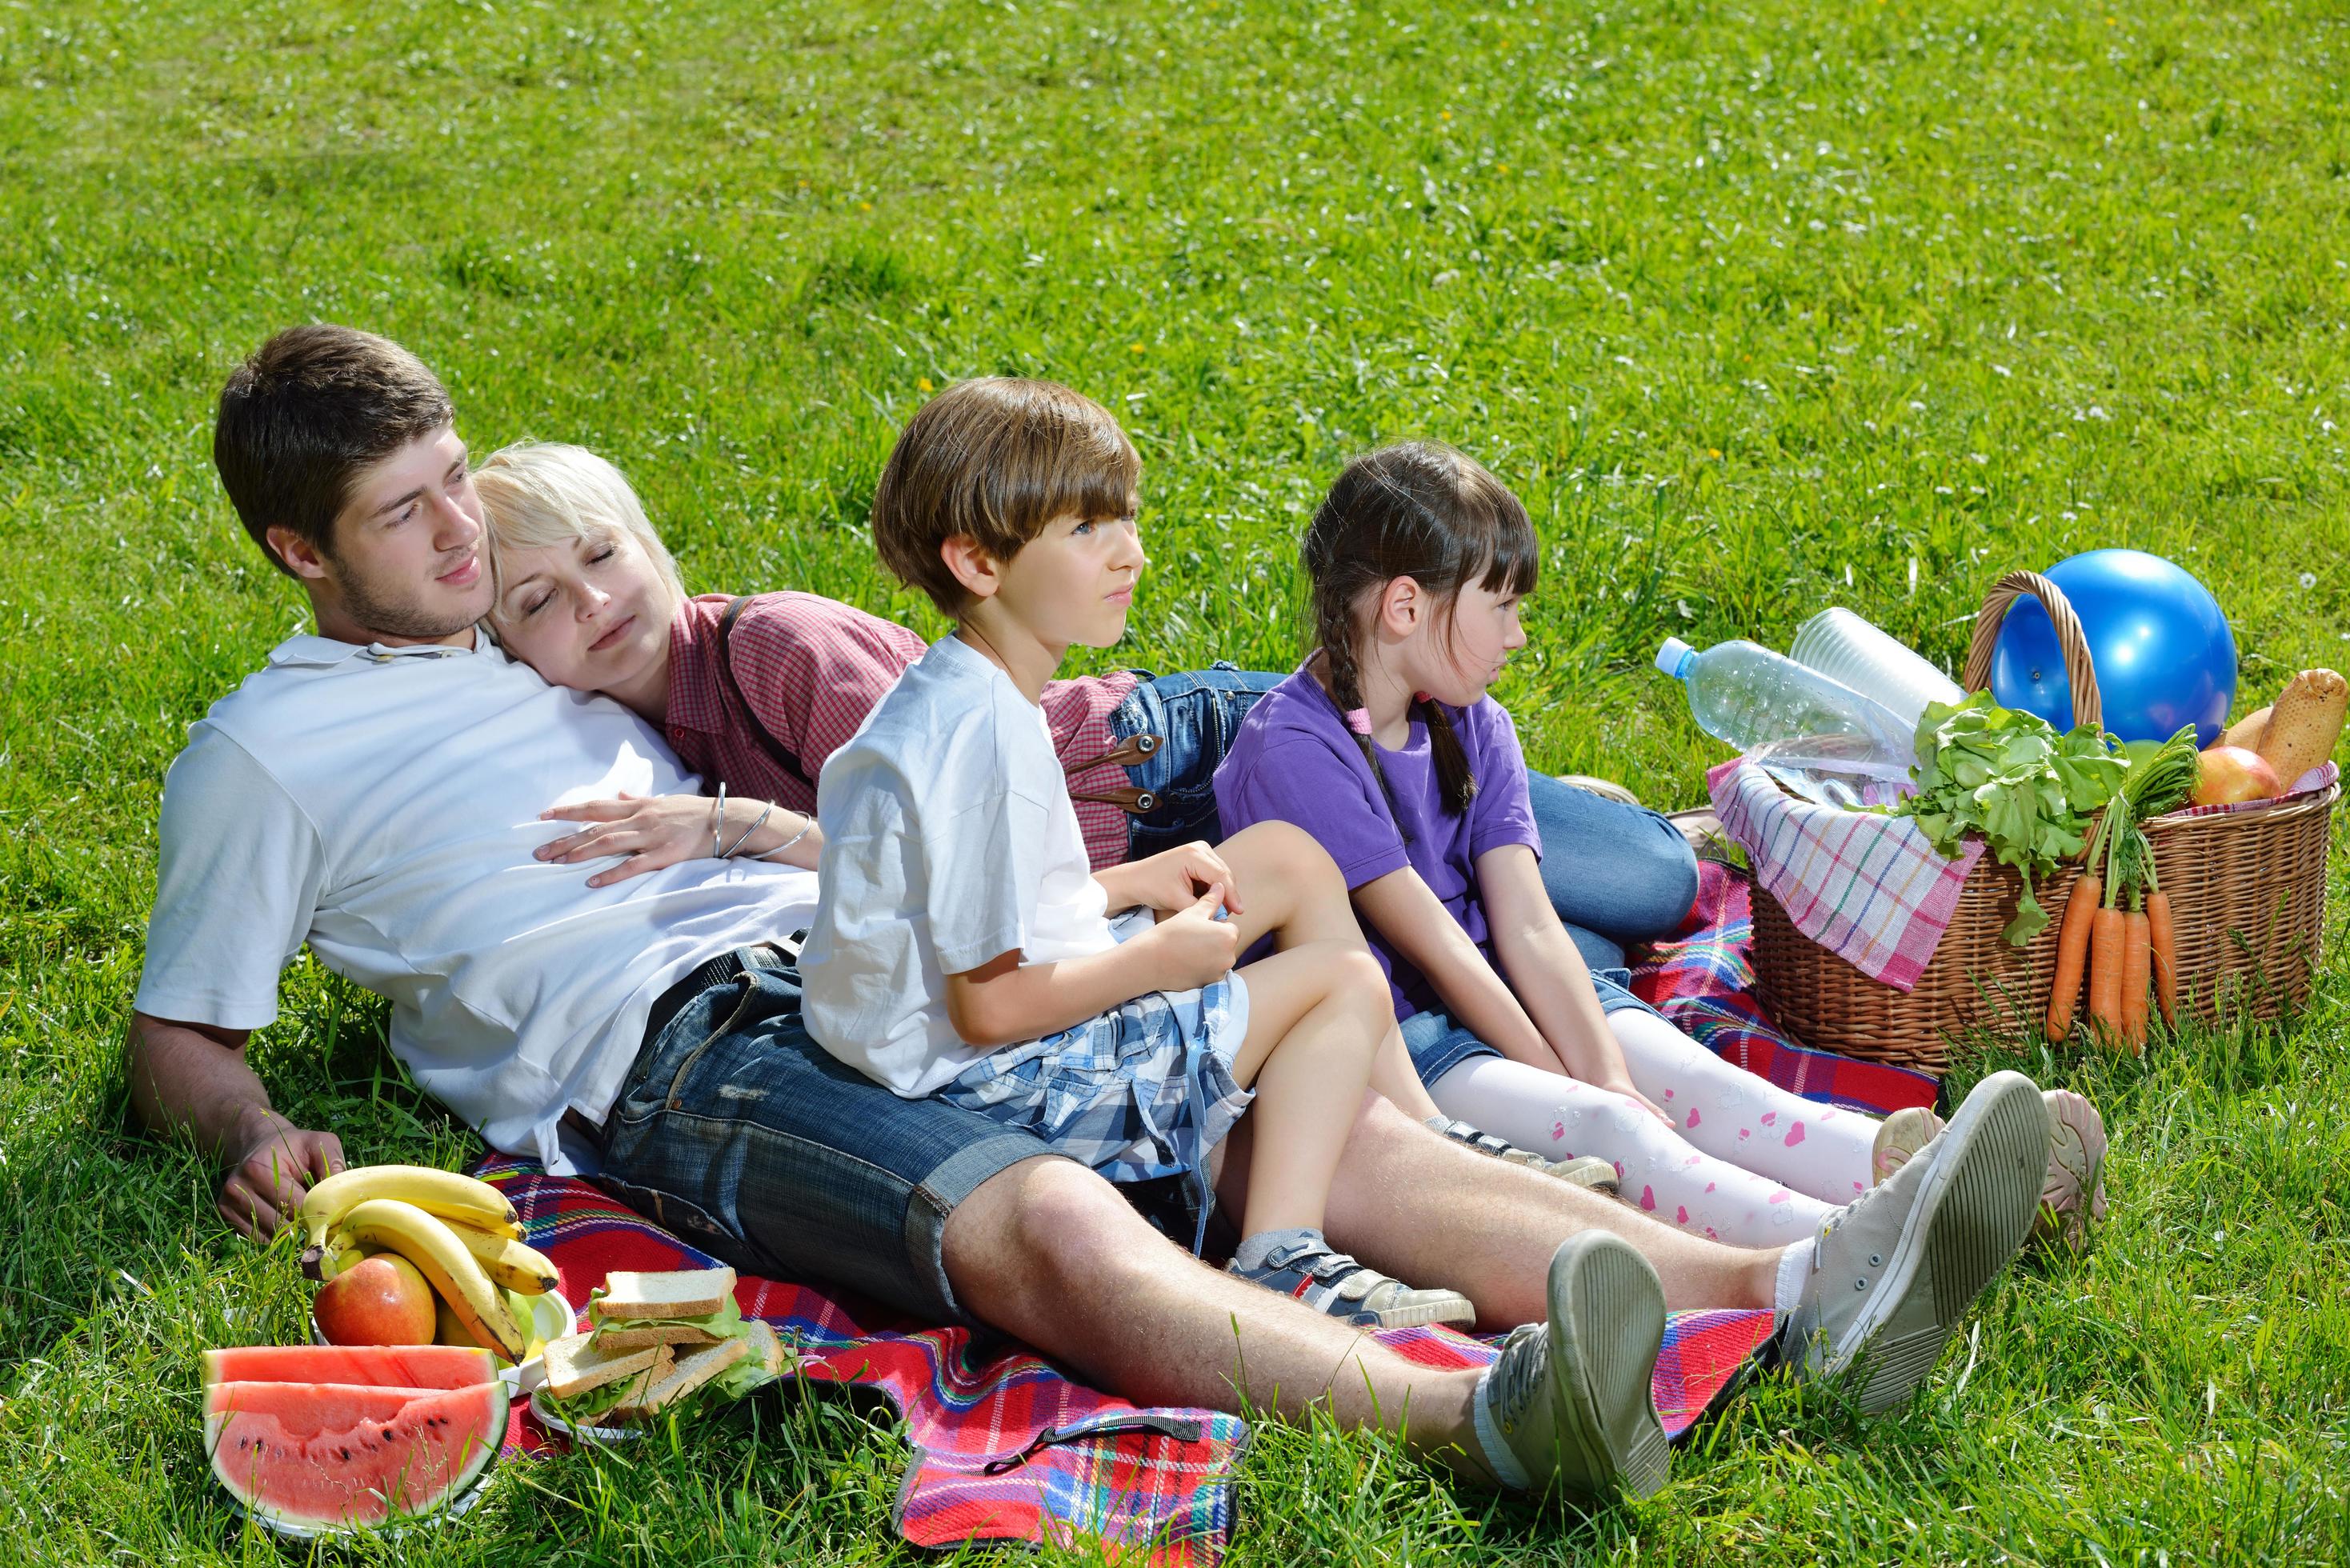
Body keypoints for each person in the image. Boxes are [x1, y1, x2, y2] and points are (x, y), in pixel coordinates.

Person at [126, 324, 2058, 1506]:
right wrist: (249, 1130)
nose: (468, 544)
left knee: (1322, 1095)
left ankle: (1804, 1293)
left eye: (465, 485)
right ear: (299, 553)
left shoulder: (555, 628)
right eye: (407, 519)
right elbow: (177, 1034)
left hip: (847, 931)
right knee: (1041, 1211)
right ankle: (1473, 1420)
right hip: (672, 1045)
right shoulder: (266, 755)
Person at [472, 441, 1607, 1189]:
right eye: (537, 602)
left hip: (1159, 760)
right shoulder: (655, 734)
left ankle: (1617, 825)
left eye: (604, 556)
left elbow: (928, 828)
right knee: (1439, 905)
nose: (593, 603)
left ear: (649, 543)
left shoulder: (776, 651)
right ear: (506, 644)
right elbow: (931, 866)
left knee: (1612, 884)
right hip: (1110, 856)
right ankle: (1452, 1110)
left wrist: (735, 829)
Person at [1213, 441, 2111, 1248]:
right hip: (1410, 1054)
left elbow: (1527, 927)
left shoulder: (1474, 722)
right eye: (1503, 606)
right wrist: (1579, 1084)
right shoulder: (1295, 749)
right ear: (1405, 606)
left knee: (1710, 1086)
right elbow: (1437, 950)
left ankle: (1973, 1172)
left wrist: (1602, 1060)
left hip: (1507, 999)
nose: (1519, 635)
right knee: (1625, 1136)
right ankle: (1853, 1252)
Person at [800, 375, 1491, 1325]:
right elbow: (989, 1004)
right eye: (1086, 529)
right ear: (978, 562)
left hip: (953, 1031)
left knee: (1286, 855)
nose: (1130, 551)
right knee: (1344, 980)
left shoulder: (965, 694)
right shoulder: (986, 743)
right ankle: (1281, 1257)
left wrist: (1129, 881)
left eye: (1124, 517)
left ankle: (1428, 1134)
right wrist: (1152, 961)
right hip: (995, 1083)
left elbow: (970, 900)